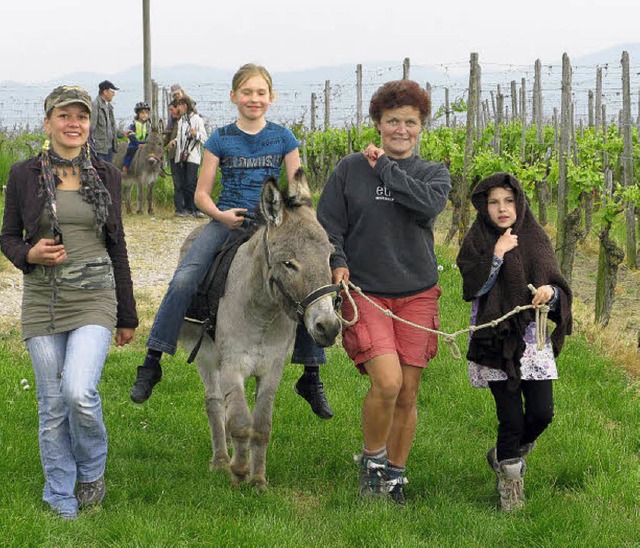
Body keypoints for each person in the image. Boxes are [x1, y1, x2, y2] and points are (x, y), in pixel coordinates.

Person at [130, 63, 333, 419]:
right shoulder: (220, 138)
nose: (254, 99)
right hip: (228, 221)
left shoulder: (284, 138)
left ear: (271, 97)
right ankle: (153, 359)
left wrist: (297, 222)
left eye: (260, 93)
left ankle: (311, 373)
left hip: (274, 227)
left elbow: (299, 191)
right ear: (234, 96)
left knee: (308, 283)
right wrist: (221, 216)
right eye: (247, 92)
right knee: (185, 277)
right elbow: (201, 195)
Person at [0, 85, 138, 520]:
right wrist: (29, 254)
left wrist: (127, 312)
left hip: (95, 296)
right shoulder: (23, 175)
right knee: (52, 403)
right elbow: (7, 236)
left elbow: (117, 246)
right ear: (48, 123)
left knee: (78, 391)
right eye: (65, 115)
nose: (74, 123)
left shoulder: (106, 174)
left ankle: (92, 470)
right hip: (43, 298)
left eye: (81, 115)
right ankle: (59, 492)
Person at [316, 80, 451, 504]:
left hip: (417, 294)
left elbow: (426, 206)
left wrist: (385, 170)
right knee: (388, 383)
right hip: (367, 293)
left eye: (410, 122)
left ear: (421, 126)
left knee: (409, 393)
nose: (401, 129)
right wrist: (337, 260)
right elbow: (328, 223)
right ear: (377, 123)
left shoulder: (433, 174)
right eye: (392, 121)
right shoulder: (348, 170)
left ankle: (395, 475)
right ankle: (372, 463)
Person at [456, 172, 572, 512]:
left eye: (508, 200)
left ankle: (503, 455)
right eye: (494, 202)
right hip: (495, 341)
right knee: (510, 420)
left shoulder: (535, 237)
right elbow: (472, 288)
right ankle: (510, 485)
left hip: (532, 342)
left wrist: (550, 295)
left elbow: (558, 287)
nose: (502, 208)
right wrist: (497, 254)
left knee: (542, 413)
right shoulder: (478, 238)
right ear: (483, 206)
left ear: (519, 202)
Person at [168, 96, 207, 218]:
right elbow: (180, 137)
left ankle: (195, 208)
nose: (178, 109)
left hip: (193, 156)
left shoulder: (197, 120)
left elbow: (205, 138)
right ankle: (186, 209)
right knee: (183, 183)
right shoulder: (181, 121)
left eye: (179, 106)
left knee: (191, 182)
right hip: (182, 156)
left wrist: (196, 134)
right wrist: (174, 141)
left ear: (185, 106)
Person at [163, 99, 187, 216]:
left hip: (184, 155)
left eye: (172, 109)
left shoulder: (186, 120)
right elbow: (165, 140)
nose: (171, 112)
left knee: (186, 182)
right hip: (173, 155)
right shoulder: (171, 122)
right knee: (177, 182)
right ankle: (179, 208)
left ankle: (188, 207)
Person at [90, 80, 119, 163]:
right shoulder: (95, 105)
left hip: (109, 148)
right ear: (105, 92)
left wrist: (123, 133)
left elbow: (111, 127)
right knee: (101, 173)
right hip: (99, 150)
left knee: (108, 174)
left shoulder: (109, 106)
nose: (114, 94)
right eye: (112, 91)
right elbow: (91, 128)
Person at [122, 101, 151, 175]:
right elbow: (131, 135)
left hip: (145, 143)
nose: (144, 115)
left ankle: (159, 167)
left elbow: (149, 135)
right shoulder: (134, 124)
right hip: (135, 143)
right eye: (142, 113)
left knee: (155, 151)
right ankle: (126, 166)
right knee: (130, 151)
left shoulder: (148, 125)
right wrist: (137, 144)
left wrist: (146, 143)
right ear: (138, 114)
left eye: (146, 113)